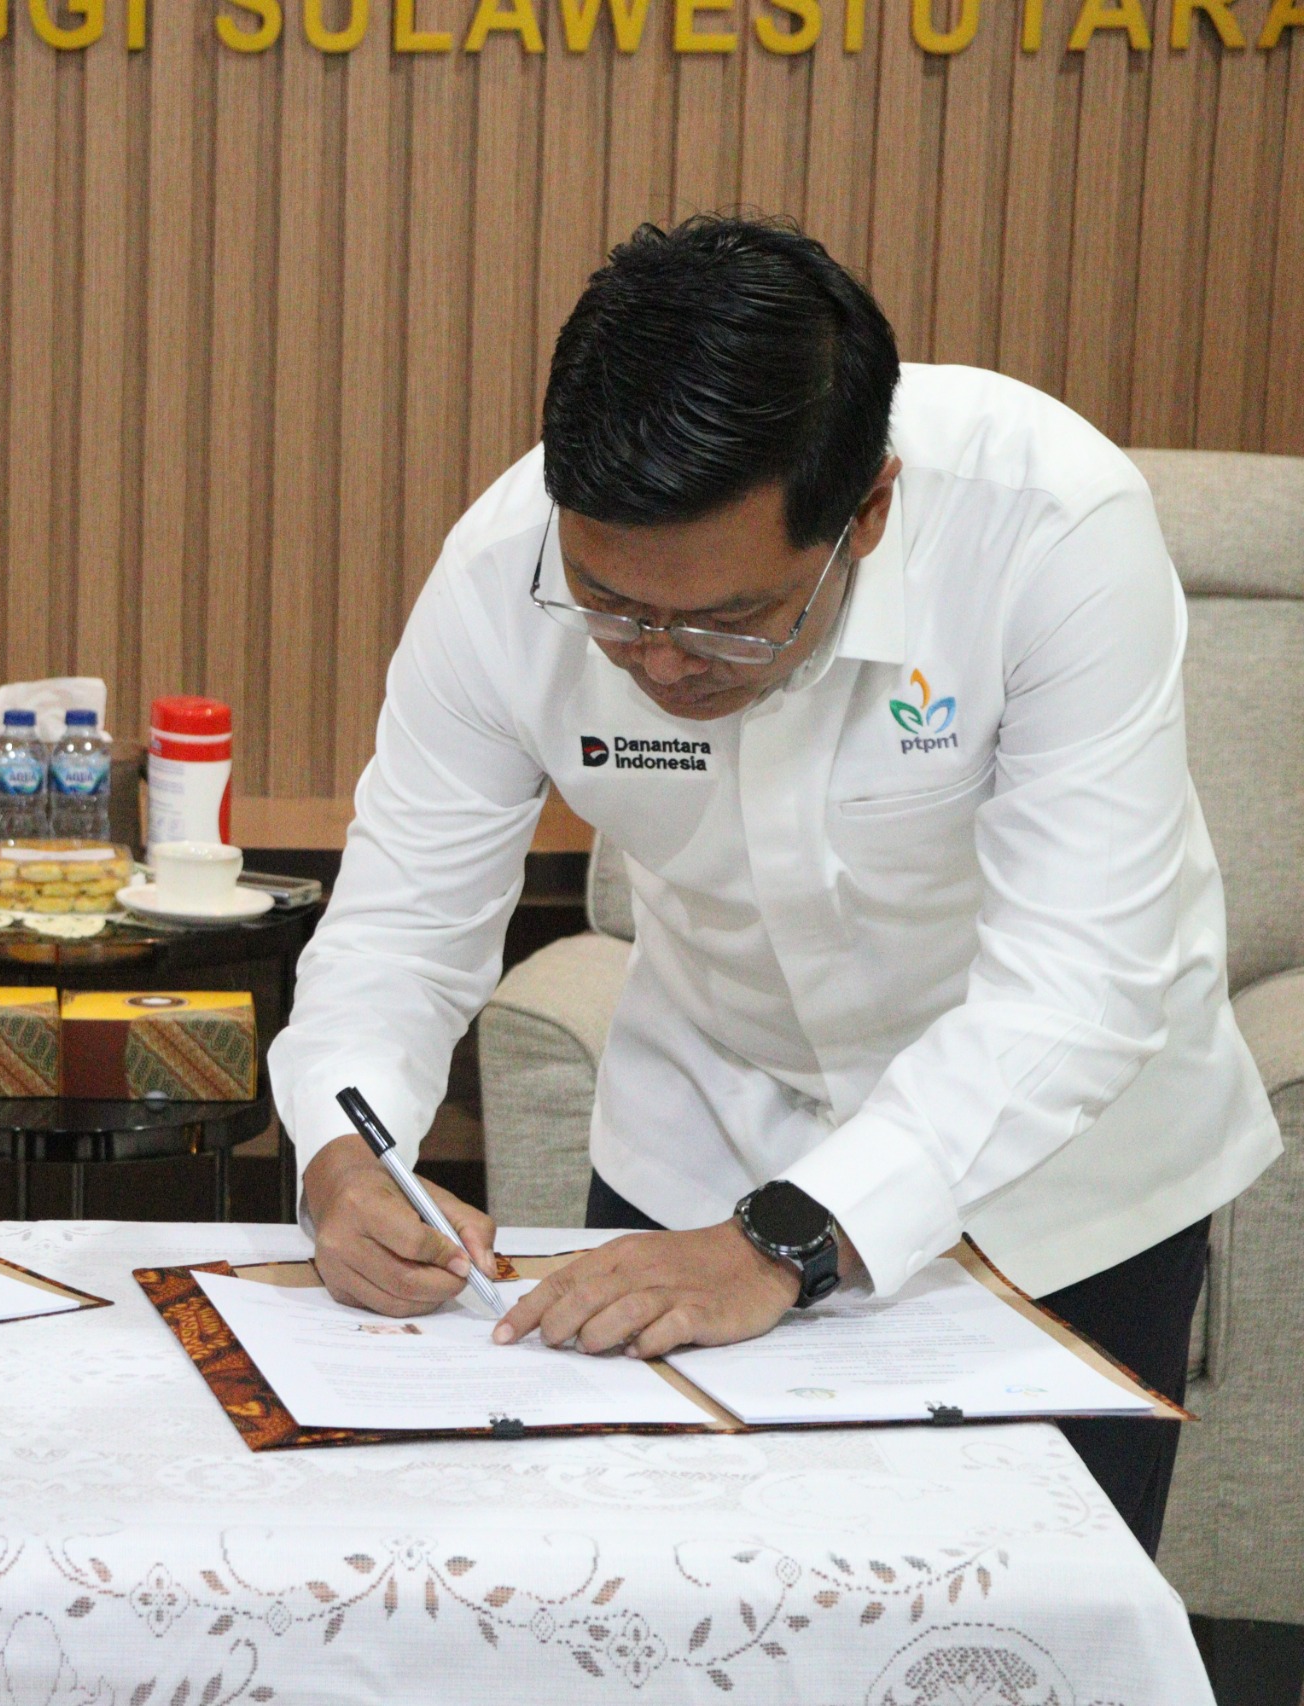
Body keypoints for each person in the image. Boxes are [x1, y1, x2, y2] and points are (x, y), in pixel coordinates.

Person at [268, 216, 1282, 1553]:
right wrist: (345, 1156)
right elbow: (399, 929)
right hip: (700, 1143)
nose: (662, 662)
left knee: (1018, 1617)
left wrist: (783, 1241)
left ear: (868, 511)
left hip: (1053, 1182)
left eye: (731, 620)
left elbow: (1080, 984)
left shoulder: (1051, 529)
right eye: (613, 608)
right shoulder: (499, 572)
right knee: (649, 1598)